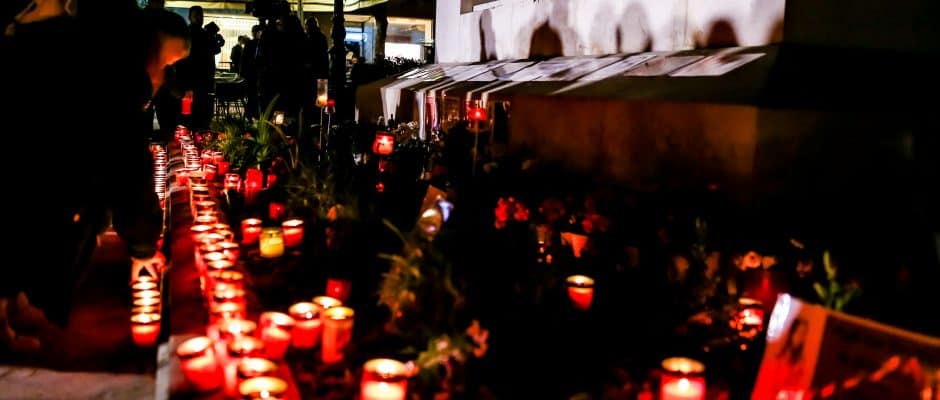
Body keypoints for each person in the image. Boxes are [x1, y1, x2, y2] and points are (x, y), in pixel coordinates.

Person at [0, 1, 189, 367]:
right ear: (151, 50)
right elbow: (128, 163)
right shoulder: (118, 74)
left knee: (24, 222)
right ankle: (3, 327)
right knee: (24, 222)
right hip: (34, 167)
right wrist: (143, 247)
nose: (164, 77)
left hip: (33, 161)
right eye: (166, 64)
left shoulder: (76, 47)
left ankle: (16, 303)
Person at [177, 5, 214, 129]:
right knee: (189, 116)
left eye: (201, 16)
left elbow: (212, 52)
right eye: (196, 15)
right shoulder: (187, 34)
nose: (199, 18)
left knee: (198, 115)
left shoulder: (205, 34)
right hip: (190, 82)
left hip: (202, 82)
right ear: (190, 17)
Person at [240, 24, 262, 120]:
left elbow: (244, 59)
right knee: (256, 96)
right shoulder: (262, 43)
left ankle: (250, 114)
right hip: (258, 74)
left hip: (250, 74)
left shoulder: (250, 44)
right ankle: (254, 114)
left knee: (251, 95)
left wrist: (242, 73)